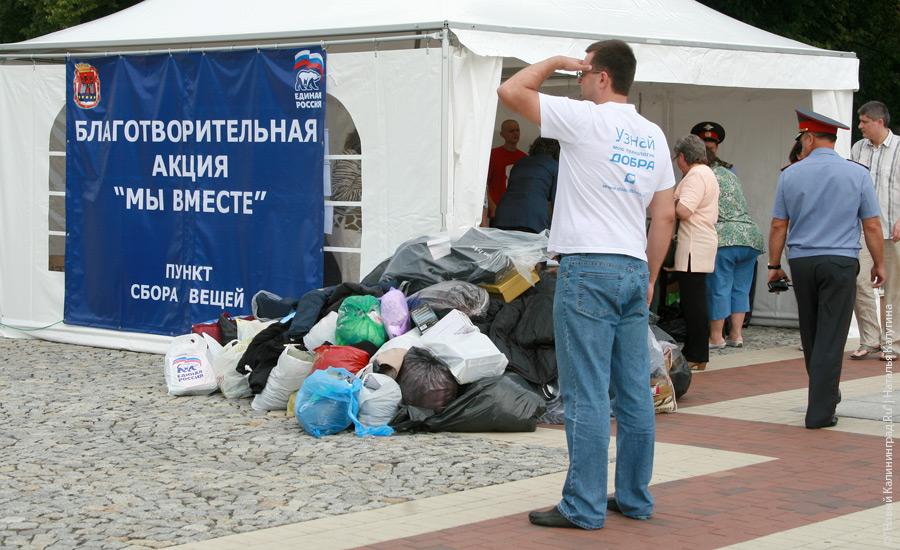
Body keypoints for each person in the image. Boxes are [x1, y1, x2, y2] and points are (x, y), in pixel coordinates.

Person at [498, 39, 676, 530]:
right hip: (632, 266)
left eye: (582, 70)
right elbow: (664, 216)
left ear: (601, 75)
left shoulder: (585, 118)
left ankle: (583, 504)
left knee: (586, 393)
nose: (576, 78)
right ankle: (636, 497)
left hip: (587, 266)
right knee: (634, 392)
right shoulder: (653, 135)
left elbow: (511, 89)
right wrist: (651, 276)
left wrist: (555, 61)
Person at [768, 109, 885, 429]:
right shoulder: (857, 173)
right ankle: (819, 411)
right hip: (841, 261)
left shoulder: (789, 174)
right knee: (831, 337)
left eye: (802, 139)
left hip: (803, 262)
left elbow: (779, 224)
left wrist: (774, 264)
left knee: (812, 333)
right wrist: (879, 263)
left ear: (808, 138)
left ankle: (826, 395)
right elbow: (872, 226)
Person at [849, 101, 900, 361]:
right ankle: (870, 340)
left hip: (894, 229)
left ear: (879, 122)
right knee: (860, 282)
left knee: (893, 288)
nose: (860, 127)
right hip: (863, 230)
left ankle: (893, 342)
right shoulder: (858, 148)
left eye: (864, 122)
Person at [707, 148, 765, 349]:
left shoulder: (705, 174)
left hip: (726, 237)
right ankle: (736, 335)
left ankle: (716, 337)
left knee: (720, 287)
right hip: (750, 235)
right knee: (740, 288)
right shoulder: (729, 172)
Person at [670, 135, 720, 370]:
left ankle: (696, 353)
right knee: (695, 300)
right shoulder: (706, 172)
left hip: (693, 244)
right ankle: (696, 351)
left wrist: (670, 202)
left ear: (682, 157)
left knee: (693, 303)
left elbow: (684, 210)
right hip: (699, 242)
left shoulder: (696, 175)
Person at [492, 137, 559, 233]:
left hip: (503, 214)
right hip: (532, 218)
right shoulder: (554, 166)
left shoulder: (520, 162)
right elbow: (557, 203)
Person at [326, 130, 362, 282]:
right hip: (347, 226)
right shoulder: (350, 157)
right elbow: (340, 194)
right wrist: (371, 189)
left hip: (353, 228)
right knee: (352, 278)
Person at [485, 119, 527, 223]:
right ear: (502, 134)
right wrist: (492, 206)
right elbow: (483, 184)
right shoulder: (493, 155)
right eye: (511, 131)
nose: (515, 133)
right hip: (497, 210)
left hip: (518, 211)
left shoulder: (524, 158)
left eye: (517, 130)